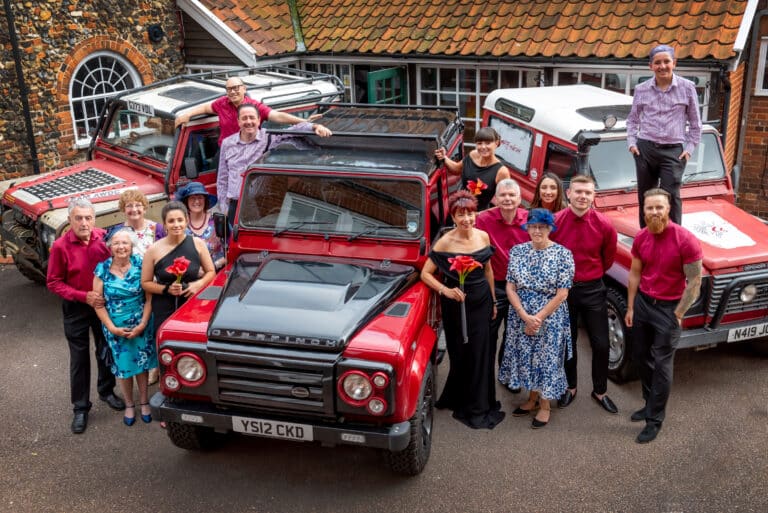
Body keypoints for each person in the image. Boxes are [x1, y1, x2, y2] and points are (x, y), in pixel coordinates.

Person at [420, 190, 505, 429]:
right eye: (461, 215)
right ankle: (459, 396)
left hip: (482, 302)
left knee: (481, 351)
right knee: (460, 351)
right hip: (456, 305)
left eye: (470, 213)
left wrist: (493, 301)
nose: (467, 219)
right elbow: (425, 273)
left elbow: (488, 270)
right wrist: (445, 291)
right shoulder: (446, 241)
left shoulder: (484, 236)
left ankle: (478, 403)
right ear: (454, 217)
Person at [625, 188, 702, 443]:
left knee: (662, 365)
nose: (654, 212)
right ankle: (649, 403)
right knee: (640, 356)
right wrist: (631, 306)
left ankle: (655, 419)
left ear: (668, 209)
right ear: (643, 210)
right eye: (650, 208)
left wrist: (679, 313)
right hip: (644, 303)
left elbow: (694, 282)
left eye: (659, 207)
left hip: (669, 309)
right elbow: (635, 273)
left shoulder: (685, 239)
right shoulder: (641, 237)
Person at [46, 198, 125, 434]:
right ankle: (80, 408)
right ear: (70, 220)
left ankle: (106, 391)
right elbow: (53, 282)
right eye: (78, 218)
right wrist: (83, 296)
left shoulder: (104, 238)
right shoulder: (60, 246)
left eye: (88, 218)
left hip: (103, 304)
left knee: (105, 349)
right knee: (79, 359)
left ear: (94, 219)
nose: (84, 222)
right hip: (76, 307)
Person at [498, 208, 574, 429]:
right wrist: (524, 315)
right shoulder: (517, 251)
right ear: (527, 228)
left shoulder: (563, 254)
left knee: (547, 359)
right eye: (533, 226)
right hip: (520, 312)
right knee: (527, 356)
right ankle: (531, 399)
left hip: (549, 315)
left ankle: (545, 405)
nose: (537, 230)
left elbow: (563, 293)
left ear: (550, 228)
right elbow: (510, 287)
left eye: (542, 226)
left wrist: (537, 318)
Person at [550, 175, 618, 413]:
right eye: (578, 192)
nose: (583, 196)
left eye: (588, 193)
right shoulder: (555, 221)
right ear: (568, 193)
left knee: (601, 344)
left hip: (593, 289)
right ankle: (570, 387)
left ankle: (600, 391)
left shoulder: (605, 225)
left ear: (593, 196)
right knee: (568, 342)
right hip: (563, 291)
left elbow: (608, 258)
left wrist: (591, 274)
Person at [217, 103, 332, 228]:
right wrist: (224, 207)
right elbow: (222, 178)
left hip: (258, 204)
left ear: (259, 120)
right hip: (235, 205)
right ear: (238, 121)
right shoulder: (227, 143)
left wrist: (315, 127)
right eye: (244, 118)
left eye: (252, 117)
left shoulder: (269, 137)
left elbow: (295, 129)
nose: (248, 121)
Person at [627, 44, 702, 228]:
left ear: (674, 63)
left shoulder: (687, 87)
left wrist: (690, 149)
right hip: (645, 149)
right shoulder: (641, 89)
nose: (662, 66)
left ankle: (675, 236)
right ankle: (646, 236)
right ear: (650, 66)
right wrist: (632, 143)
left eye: (666, 61)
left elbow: (695, 123)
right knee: (646, 195)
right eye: (657, 62)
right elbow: (632, 120)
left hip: (673, 152)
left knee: (671, 196)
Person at [93, 229, 157, 426]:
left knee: (142, 365)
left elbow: (149, 299)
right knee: (124, 368)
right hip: (116, 328)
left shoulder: (141, 264)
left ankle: (144, 401)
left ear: (131, 246)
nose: (121, 247)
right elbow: (98, 304)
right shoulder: (101, 269)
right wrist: (112, 328)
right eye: (116, 243)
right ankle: (129, 404)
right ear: (110, 247)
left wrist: (143, 324)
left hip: (141, 324)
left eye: (125, 243)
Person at [474, 178, 529, 370]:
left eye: (512, 195)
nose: (507, 199)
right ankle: (485, 373)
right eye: (503, 195)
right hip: (493, 286)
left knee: (513, 334)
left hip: (520, 287)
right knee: (489, 332)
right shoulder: (483, 219)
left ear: (519, 198)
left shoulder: (530, 220)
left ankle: (506, 373)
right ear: (495, 199)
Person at [141, 201, 216, 336]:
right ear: (164, 224)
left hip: (193, 304)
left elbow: (211, 272)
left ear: (186, 221)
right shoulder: (153, 250)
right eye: (171, 221)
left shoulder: (198, 243)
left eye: (180, 220)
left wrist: (198, 284)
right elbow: (145, 283)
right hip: (164, 307)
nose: (176, 225)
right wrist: (166, 289)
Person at [174, 76, 317, 146]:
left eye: (236, 88)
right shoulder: (222, 103)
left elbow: (277, 116)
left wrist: (304, 121)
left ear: (244, 89)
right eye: (229, 89)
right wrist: (188, 114)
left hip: (249, 148)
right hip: (226, 149)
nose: (233, 92)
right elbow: (206, 107)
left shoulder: (254, 107)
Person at [434, 127, 512, 211]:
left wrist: (481, 215)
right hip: (461, 211)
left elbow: (506, 202)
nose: (483, 147)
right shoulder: (472, 155)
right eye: (479, 143)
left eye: (488, 143)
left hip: (481, 216)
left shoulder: (501, 171)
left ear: (496, 143)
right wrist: (444, 158)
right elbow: (456, 169)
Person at [175, 182, 225, 270]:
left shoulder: (218, 220)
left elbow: (232, 250)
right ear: (186, 201)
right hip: (190, 276)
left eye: (200, 198)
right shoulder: (179, 225)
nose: (197, 201)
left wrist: (214, 266)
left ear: (205, 200)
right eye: (193, 198)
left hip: (219, 274)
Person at [106, 189, 165, 256]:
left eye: (138, 205)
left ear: (144, 208)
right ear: (123, 210)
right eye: (129, 206)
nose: (134, 209)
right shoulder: (116, 232)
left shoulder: (158, 229)